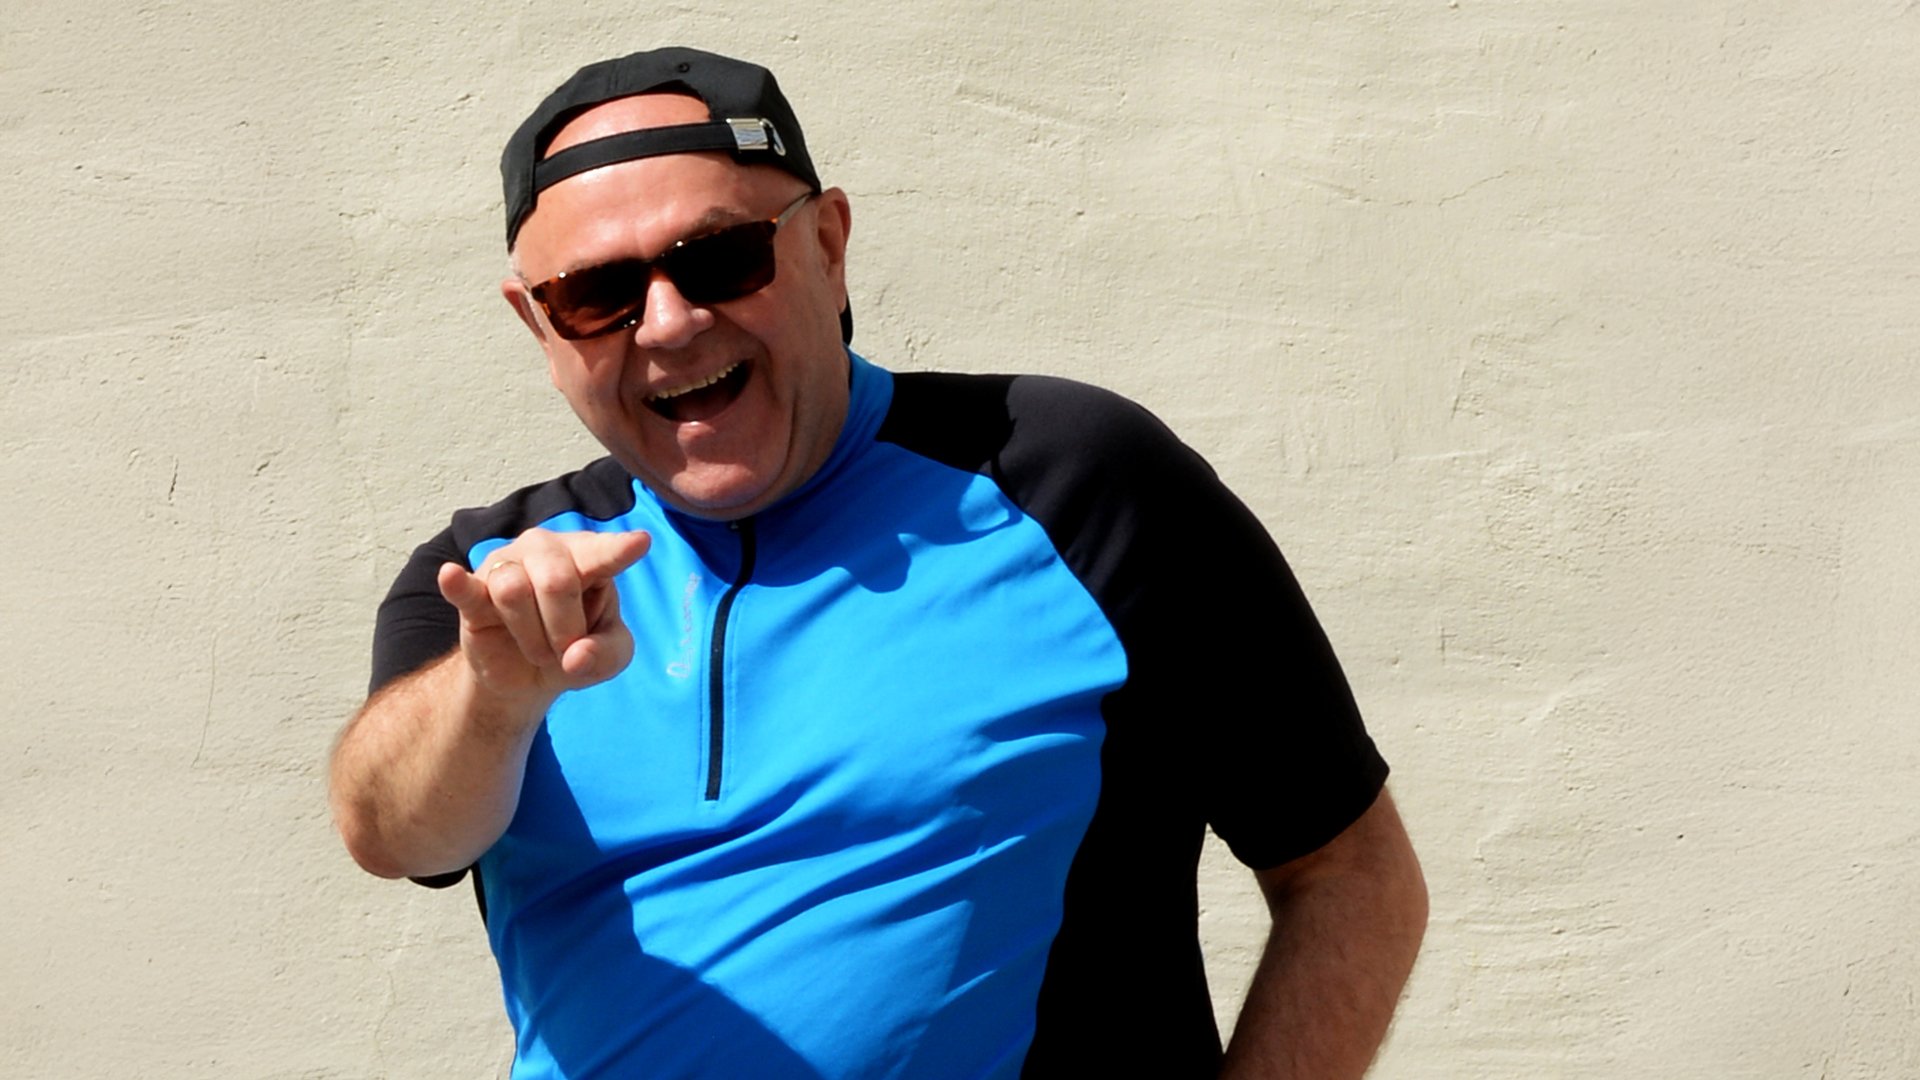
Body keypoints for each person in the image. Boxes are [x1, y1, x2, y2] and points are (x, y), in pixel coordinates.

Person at [330, 46, 1426, 1080]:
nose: (666, 323)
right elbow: (392, 834)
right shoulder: (494, 579)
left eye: (720, 258)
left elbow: (1351, 873)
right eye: (595, 294)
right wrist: (493, 695)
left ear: (827, 244)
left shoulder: (1073, 482)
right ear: (539, 327)